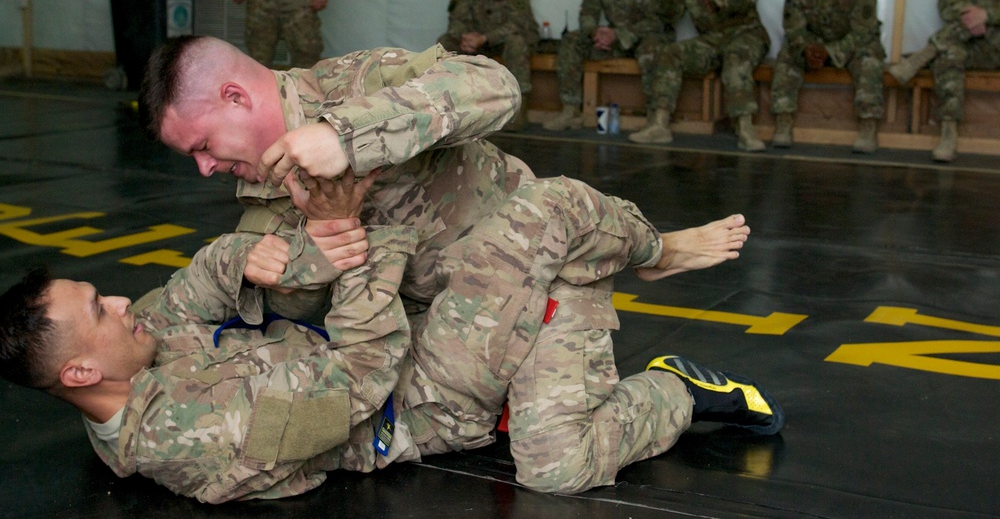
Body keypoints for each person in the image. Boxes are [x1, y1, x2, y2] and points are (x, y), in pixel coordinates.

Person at [0, 167, 783, 503]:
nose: (117, 300)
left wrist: (249, 258)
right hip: (419, 397)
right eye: (97, 310)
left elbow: (187, 293)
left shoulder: (129, 351)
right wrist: (368, 247)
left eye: (97, 290)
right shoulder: (198, 437)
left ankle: (610, 268)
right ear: (76, 374)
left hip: (392, 337)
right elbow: (358, 381)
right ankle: (669, 366)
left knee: (455, 224)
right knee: (558, 464)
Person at [140, 35, 535, 323]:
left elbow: (495, 87)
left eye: (203, 145)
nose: (204, 168)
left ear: (236, 97)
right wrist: (315, 250)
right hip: (450, 318)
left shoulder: (355, 83)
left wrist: (344, 137)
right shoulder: (264, 191)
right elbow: (293, 309)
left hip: (531, 261)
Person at [642, 0, 770, 151]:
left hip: (745, 34)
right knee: (671, 52)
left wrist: (718, 1)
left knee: (735, 57)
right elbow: (669, 15)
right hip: (712, 41)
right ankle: (660, 124)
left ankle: (745, 128)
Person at [887, 0, 1000, 162]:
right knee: (950, 55)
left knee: (963, 26)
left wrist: (987, 15)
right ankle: (948, 134)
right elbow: (946, 7)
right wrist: (973, 17)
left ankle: (921, 57)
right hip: (970, 47)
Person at [544, 0, 675, 135]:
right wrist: (596, 32)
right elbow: (587, 12)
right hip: (612, 39)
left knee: (654, 50)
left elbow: (656, 22)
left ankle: (656, 120)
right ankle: (571, 110)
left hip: (644, 36)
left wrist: (619, 34)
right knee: (571, 41)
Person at [770, 0, 887, 153]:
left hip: (850, 45)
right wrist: (806, 49)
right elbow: (793, 28)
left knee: (870, 59)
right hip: (814, 45)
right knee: (787, 54)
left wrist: (831, 51)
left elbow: (864, 31)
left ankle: (868, 128)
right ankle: (783, 122)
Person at [437, 0, 540, 131]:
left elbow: (519, 22)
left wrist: (485, 38)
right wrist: (464, 37)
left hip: (508, 37)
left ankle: (518, 108)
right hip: (478, 39)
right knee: (444, 42)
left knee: (517, 43)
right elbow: (455, 19)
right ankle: (450, 104)